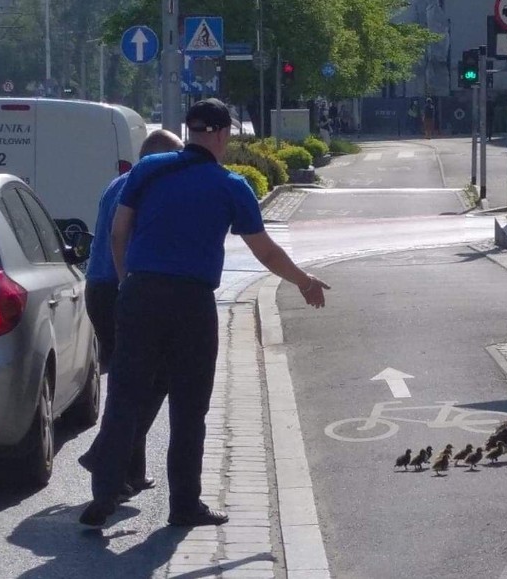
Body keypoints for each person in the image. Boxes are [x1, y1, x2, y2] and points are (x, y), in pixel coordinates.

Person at [79, 98, 329, 529]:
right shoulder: (230, 185)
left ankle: (105, 494)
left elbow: (119, 232)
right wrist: (304, 281)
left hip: (139, 293)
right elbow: (264, 251)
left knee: (125, 395)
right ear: (220, 133)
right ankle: (184, 505)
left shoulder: (145, 171)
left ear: (191, 130)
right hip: (191, 302)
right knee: (189, 406)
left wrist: (126, 283)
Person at [81, 129, 184, 500]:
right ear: (159, 159)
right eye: (176, 157)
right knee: (152, 380)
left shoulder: (118, 183)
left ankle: (128, 470)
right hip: (122, 287)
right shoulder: (146, 188)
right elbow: (125, 239)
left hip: (99, 287)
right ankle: (109, 456)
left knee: (133, 381)